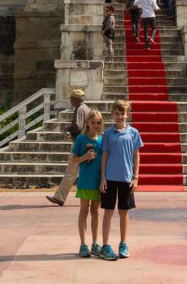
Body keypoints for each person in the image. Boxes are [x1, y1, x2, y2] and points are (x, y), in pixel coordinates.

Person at [99, 100, 142, 261]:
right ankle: (105, 245)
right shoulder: (108, 134)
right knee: (108, 212)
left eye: (122, 113)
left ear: (127, 115)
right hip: (110, 178)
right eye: (117, 113)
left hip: (126, 178)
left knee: (124, 212)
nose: (120, 116)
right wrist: (102, 177)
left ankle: (123, 243)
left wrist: (136, 176)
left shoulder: (134, 133)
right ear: (112, 114)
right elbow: (104, 155)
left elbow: (136, 155)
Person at [46, 89, 90, 206]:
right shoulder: (86, 108)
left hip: (80, 144)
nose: (70, 101)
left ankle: (60, 197)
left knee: (71, 171)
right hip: (86, 143)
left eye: (71, 98)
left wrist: (68, 128)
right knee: (85, 171)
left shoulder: (80, 109)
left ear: (76, 99)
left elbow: (78, 126)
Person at [73, 109, 105, 258]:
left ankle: (95, 243)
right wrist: (85, 156)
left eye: (98, 123)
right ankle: (83, 243)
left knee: (95, 212)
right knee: (83, 211)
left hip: (98, 182)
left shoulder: (102, 140)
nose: (96, 125)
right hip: (85, 181)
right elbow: (73, 160)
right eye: (93, 122)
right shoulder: (81, 139)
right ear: (87, 123)